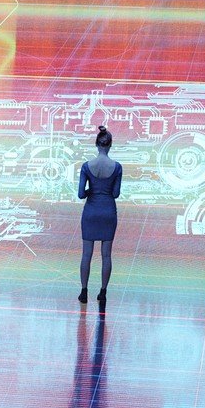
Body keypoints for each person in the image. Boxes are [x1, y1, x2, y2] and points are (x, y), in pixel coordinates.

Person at [77, 126, 122, 304]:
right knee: (106, 255)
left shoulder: (86, 166)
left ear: (96, 145)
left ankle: (84, 292)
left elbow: (81, 194)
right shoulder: (117, 167)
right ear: (110, 145)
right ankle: (103, 293)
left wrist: (92, 191)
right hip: (108, 212)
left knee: (86, 254)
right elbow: (115, 193)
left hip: (91, 212)